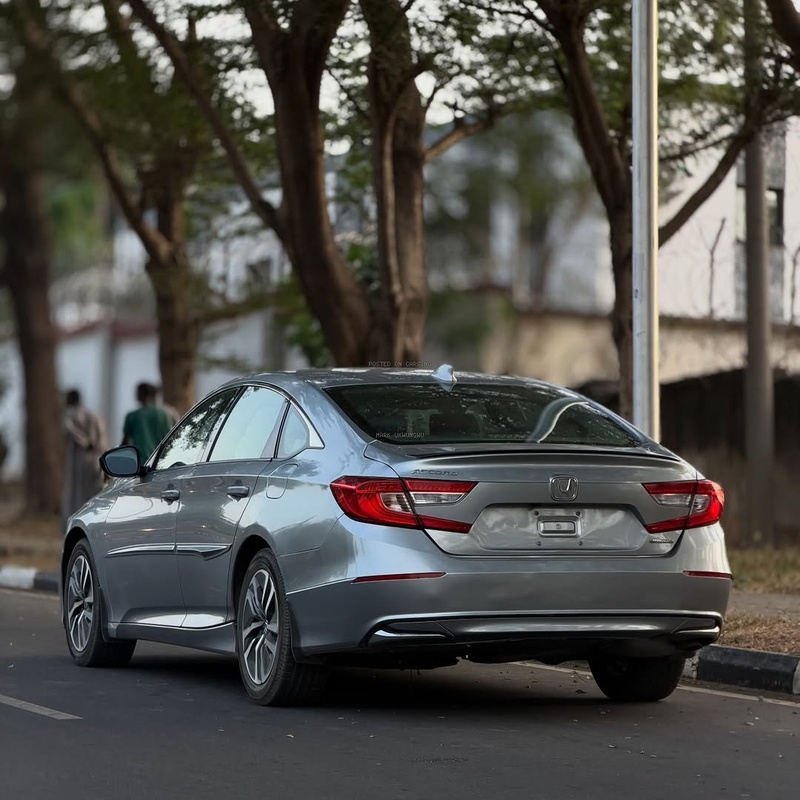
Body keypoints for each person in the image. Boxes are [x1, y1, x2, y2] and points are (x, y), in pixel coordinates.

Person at [62, 389, 108, 524]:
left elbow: (70, 431)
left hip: (79, 460)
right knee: (94, 491)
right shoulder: (95, 415)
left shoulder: (71, 414)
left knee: (77, 493)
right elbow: (103, 436)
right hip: (96, 458)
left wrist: (85, 443)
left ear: (71, 399)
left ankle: (77, 522)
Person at [122, 382, 173, 462]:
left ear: (142, 394)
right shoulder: (162, 414)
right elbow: (168, 439)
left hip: (139, 462)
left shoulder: (132, 416)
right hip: (157, 462)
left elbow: (125, 443)